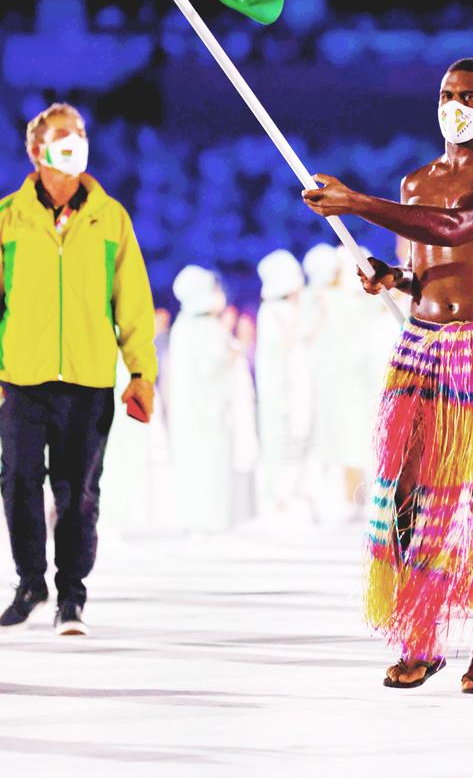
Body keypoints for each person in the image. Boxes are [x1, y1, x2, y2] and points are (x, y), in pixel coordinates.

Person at [303, 58, 473, 694]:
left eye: (470, 96)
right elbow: (430, 267)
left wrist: (356, 203)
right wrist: (394, 277)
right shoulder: (415, 182)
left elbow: (458, 227)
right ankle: (423, 633)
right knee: (405, 494)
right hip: (422, 349)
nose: (455, 105)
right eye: (446, 94)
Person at [0, 102, 156, 635]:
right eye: (64, 134)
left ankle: (71, 596)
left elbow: (132, 300)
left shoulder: (110, 218)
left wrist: (141, 373)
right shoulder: (8, 218)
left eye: (81, 133)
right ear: (36, 149)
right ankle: (30, 583)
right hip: (21, 377)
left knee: (79, 493)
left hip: (88, 379)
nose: (76, 141)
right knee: (18, 482)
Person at [167, 266, 242, 534]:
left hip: (191, 411)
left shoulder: (183, 325)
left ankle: (198, 520)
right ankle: (207, 521)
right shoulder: (206, 327)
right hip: (209, 411)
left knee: (195, 463)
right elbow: (215, 366)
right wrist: (233, 350)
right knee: (209, 464)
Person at [255, 249, 314, 520]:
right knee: (282, 441)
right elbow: (282, 347)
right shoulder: (273, 312)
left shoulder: (287, 310)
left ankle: (293, 493)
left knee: (299, 440)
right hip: (283, 393)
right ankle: (280, 497)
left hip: (298, 389)